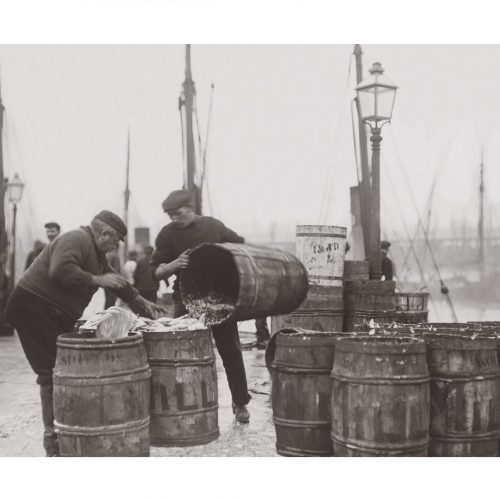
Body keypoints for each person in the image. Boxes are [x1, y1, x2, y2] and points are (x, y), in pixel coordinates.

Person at [5, 210, 164, 457]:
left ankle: (64, 431)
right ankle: (54, 442)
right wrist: (96, 280)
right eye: (116, 241)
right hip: (34, 307)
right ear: (104, 234)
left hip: (52, 312)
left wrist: (144, 304)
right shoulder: (75, 239)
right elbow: (60, 270)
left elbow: (117, 282)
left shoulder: (97, 254)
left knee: (64, 369)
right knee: (52, 372)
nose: (116, 247)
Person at [151, 189, 251, 423]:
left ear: (190, 207)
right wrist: (175, 263)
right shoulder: (167, 235)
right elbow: (155, 272)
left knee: (231, 351)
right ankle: (179, 403)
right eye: (170, 215)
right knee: (176, 352)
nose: (174, 218)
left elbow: (242, 247)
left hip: (220, 297)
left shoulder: (213, 226)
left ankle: (240, 403)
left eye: (178, 212)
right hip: (186, 300)